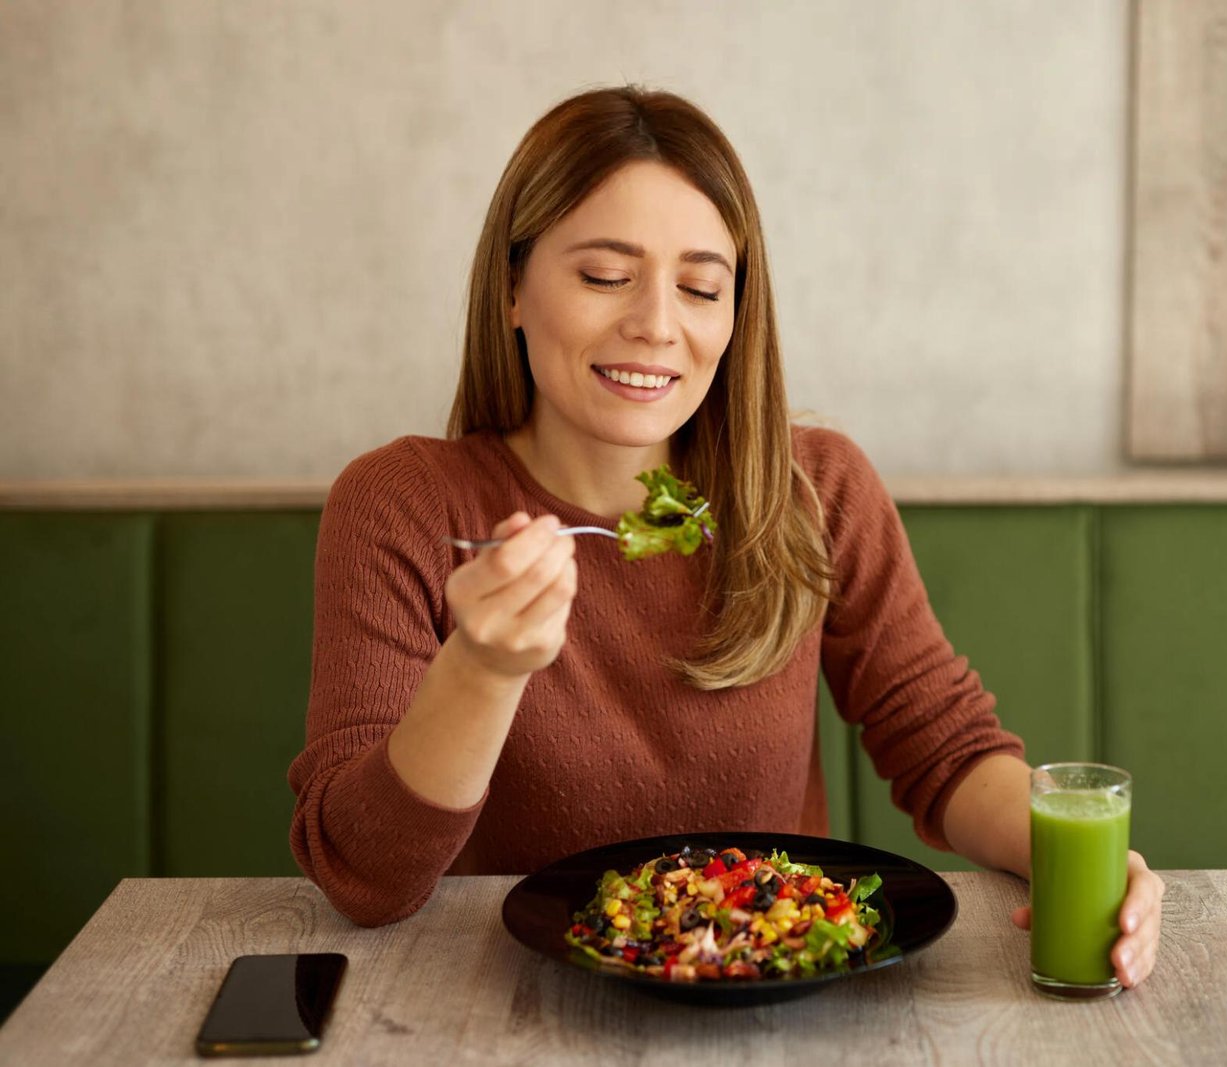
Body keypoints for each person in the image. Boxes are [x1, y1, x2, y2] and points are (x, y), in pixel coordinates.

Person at [288, 86, 1164, 988]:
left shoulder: (815, 489)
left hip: (782, 999)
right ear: (511, 286)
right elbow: (366, 875)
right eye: (603, 276)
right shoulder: (405, 504)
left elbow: (945, 752)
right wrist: (482, 668)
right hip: (506, 1007)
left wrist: (1077, 852)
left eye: (702, 286)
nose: (657, 325)